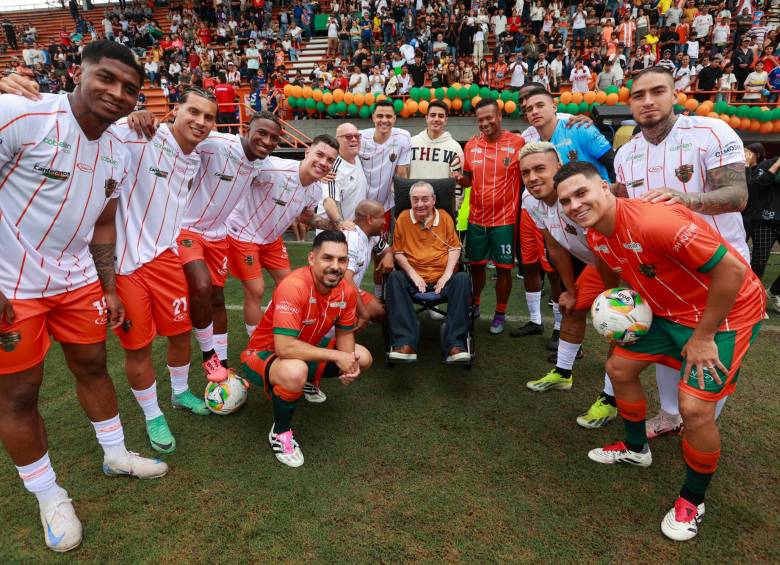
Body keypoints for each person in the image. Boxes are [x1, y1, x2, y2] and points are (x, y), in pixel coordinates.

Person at [0, 39, 166, 554]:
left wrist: (109, 286)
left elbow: (105, 220)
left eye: (130, 89)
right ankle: (50, 495)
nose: (117, 94)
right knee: (20, 394)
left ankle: (114, 453)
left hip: (77, 282)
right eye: (107, 79)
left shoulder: (117, 146)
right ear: (79, 72)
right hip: (13, 285)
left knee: (94, 364)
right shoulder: (20, 114)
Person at [555, 161, 765, 541]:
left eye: (581, 193)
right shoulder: (597, 235)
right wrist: (617, 313)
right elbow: (621, 277)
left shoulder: (654, 222)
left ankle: (692, 500)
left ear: (604, 187)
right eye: (565, 201)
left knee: (695, 409)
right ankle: (636, 449)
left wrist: (702, 337)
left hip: (725, 314)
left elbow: (732, 272)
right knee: (619, 368)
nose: (574, 205)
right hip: (668, 311)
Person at [614, 66, 749, 438]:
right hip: (663, 274)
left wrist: (686, 199)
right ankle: (670, 414)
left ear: (675, 94)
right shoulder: (626, 155)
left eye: (657, 91)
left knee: (708, 351)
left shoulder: (710, 132)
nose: (647, 101)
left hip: (719, 268)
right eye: (638, 96)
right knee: (671, 346)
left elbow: (738, 195)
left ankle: (699, 420)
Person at [108, 88, 220, 455]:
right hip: (127, 265)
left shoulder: (195, 157)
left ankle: (180, 392)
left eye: (209, 117)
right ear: (176, 110)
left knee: (180, 332)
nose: (200, 122)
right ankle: (153, 414)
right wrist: (131, 115)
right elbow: (95, 122)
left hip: (167, 258)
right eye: (194, 112)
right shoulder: (141, 134)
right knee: (138, 347)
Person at [239, 230, 373, 467]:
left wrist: (349, 362)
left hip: (304, 349)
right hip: (262, 353)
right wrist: (337, 356)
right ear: (311, 258)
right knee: (295, 371)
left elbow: (345, 336)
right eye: (327, 258)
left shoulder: (347, 291)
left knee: (362, 357)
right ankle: (280, 433)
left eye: (342, 260)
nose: (336, 266)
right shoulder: (294, 286)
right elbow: (284, 347)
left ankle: (310, 380)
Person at [177, 112, 283, 371]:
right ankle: (207, 356)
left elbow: (287, 170)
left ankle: (221, 364)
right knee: (201, 286)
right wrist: (146, 120)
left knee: (216, 298)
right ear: (247, 129)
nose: (267, 141)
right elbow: (179, 135)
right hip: (188, 229)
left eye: (274, 138)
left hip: (219, 235)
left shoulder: (261, 164)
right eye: (262, 133)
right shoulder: (217, 143)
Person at [226, 135, 342, 337]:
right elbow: (244, 166)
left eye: (330, 160)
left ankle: (279, 327)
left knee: (289, 285)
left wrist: (335, 225)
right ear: (307, 153)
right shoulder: (274, 168)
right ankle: (256, 344)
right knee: (256, 290)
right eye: (320, 154)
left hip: (271, 240)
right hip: (243, 234)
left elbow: (307, 218)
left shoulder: (315, 190)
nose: (324, 162)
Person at [455, 98, 524, 335]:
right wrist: (459, 179)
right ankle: (475, 303)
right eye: (480, 119)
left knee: (504, 269)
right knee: (476, 267)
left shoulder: (518, 143)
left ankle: (500, 312)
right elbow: (468, 179)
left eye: (488, 118)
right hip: (476, 218)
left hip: (504, 220)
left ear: (499, 117)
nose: (484, 123)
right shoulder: (471, 146)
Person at [386, 182, 471, 364]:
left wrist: (446, 276)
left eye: (425, 199)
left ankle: (455, 344)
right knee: (394, 278)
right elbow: (398, 252)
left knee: (463, 279)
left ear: (433, 200)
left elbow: (455, 248)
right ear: (410, 201)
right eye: (415, 200)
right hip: (413, 279)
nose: (420, 204)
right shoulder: (403, 218)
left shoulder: (445, 218)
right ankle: (405, 342)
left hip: (442, 278)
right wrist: (413, 275)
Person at [359, 100, 411, 297]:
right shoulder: (359, 137)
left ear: (395, 118)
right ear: (373, 117)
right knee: (355, 253)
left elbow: (402, 175)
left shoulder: (403, 138)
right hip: (359, 209)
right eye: (380, 116)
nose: (384, 120)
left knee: (382, 253)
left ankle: (381, 295)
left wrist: (403, 210)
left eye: (388, 116)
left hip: (384, 208)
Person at [342, 200, 392, 336]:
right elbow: (346, 280)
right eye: (381, 217)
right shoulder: (351, 238)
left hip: (351, 290)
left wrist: (387, 256)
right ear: (370, 219)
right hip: (338, 293)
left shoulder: (371, 236)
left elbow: (387, 250)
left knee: (382, 312)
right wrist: (363, 313)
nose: (385, 222)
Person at [744, 146, 780, 312]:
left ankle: (774, 291)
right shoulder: (766, 165)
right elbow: (754, 186)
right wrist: (776, 166)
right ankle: (751, 300)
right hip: (764, 220)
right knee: (758, 263)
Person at [318, 122, 369, 230]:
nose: (354, 139)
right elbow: (328, 201)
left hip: (352, 230)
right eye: (348, 137)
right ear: (337, 140)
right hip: (334, 234)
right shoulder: (333, 168)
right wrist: (341, 223)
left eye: (357, 136)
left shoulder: (357, 157)